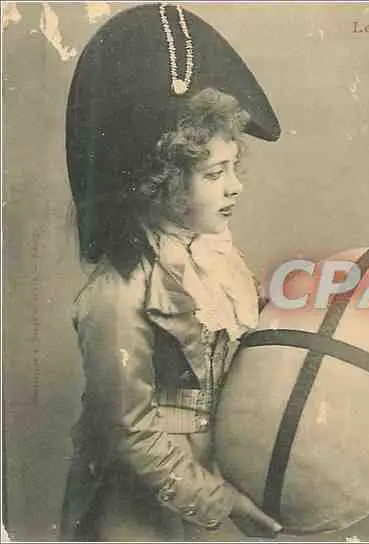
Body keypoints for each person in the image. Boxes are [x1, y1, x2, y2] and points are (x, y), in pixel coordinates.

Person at [59, 4, 284, 540]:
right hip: (133, 511)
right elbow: (130, 432)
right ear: (161, 182)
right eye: (215, 173)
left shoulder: (217, 262)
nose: (235, 186)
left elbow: (252, 350)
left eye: (234, 167)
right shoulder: (118, 293)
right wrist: (221, 500)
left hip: (196, 491)